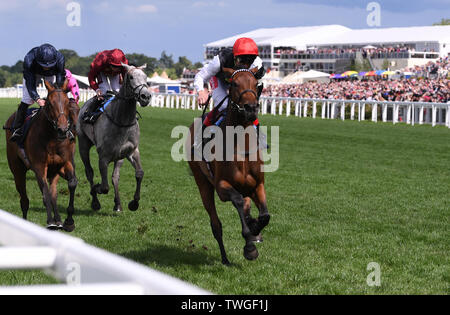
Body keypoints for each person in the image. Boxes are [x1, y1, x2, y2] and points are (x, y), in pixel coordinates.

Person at [193, 37, 265, 148]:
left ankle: (259, 135)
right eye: (242, 60)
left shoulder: (258, 65)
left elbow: (258, 85)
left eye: (249, 60)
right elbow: (200, 76)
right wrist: (201, 91)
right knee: (224, 106)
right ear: (234, 56)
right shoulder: (220, 60)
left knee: (251, 107)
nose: (246, 64)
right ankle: (201, 138)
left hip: (243, 84)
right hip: (220, 80)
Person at [10, 43, 65, 141]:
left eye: (49, 65)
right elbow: (30, 84)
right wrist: (37, 99)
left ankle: (65, 126)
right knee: (27, 100)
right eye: (43, 65)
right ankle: (17, 129)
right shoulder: (29, 60)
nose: (46, 67)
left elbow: (60, 76)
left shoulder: (60, 59)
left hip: (50, 75)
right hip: (33, 73)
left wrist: (58, 91)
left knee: (57, 99)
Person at [83, 49, 129, 123]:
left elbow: (125, 80)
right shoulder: (99, 63)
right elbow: (91, 78)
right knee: (105, 92)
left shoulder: (124, 65)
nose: (116, 69)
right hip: (102, 72)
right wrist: (97, 89)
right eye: (113, 66)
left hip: (115, 74)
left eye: (118, 66)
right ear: (109, 62)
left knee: (118, 92)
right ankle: (91, 113)